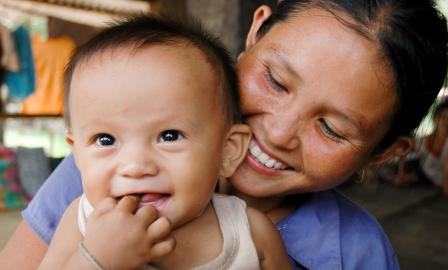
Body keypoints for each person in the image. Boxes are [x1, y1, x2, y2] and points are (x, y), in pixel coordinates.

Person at [0, 0, 448, 269]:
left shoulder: (355, 253)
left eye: (331, 128)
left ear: (384, 153)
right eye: (275, 80)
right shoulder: (101, 179)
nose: (275, 132)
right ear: (255, 29)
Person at [36, 15, 290, 270]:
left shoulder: (251, 234)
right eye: (105, 140)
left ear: (227, 151)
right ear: (77, 153)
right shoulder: (81, 221)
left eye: (169, 136)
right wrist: (95, 260)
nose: (135, 166)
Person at [416, 101, 448, 197]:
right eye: (443, 116)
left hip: (445, 184)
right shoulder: (424, 139)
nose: (447, 121)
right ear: (435, 118)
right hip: (425, 176)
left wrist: (447, 193)